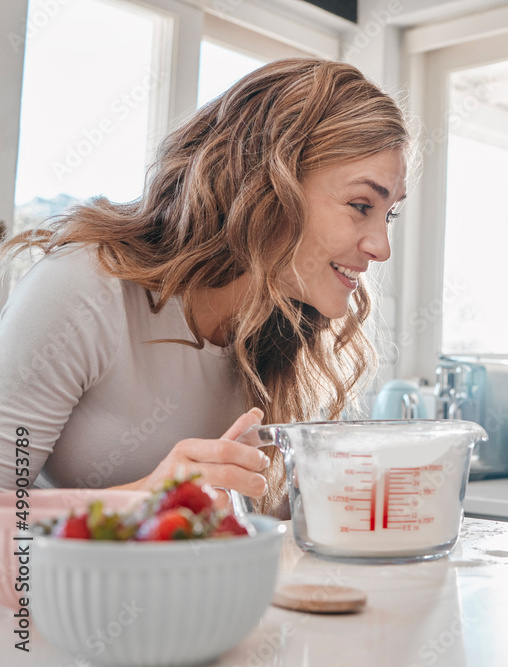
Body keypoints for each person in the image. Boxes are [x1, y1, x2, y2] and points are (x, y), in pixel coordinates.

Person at [0, 59, 409, 516]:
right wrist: (148, 498)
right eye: (360, 205)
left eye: (389, 214)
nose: (381, 247)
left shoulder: (279, 332)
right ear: (268, 185)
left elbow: (237, 526)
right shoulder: (86, 289)